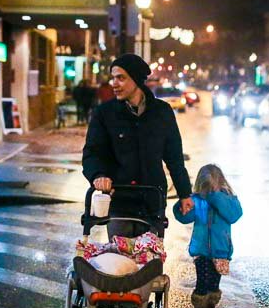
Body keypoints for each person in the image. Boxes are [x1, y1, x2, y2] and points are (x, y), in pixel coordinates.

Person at [83, 53, 194, 238]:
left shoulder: (162, 112)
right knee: (120, 261)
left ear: (136, 80)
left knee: (150, 261)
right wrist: (98, 175)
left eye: (121, 78)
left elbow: (174, 157)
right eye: (113, 78)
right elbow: (93, 152)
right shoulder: (105, 113)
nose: (114, 83)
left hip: (152, 201)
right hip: (120, 200)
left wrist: (184, 193)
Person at [173, 164, 242, 308]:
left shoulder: (228, 199)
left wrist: (216, 197)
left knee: (213, 284)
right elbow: (185, 217)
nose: (209, 191)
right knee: (202, 283)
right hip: (201, 251)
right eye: (206, 187)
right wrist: (180, 207)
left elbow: (234, 215)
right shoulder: (198, 200)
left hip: (221, 252)